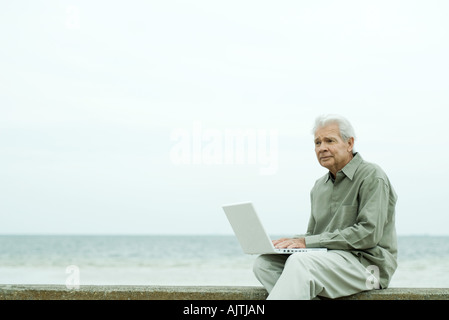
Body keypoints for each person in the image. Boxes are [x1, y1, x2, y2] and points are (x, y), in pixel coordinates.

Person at [253, 114, 398, 300]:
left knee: (301, 263)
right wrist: (289, 243)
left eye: (329, 140)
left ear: (349, 143)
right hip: (329, 262)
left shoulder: (372, 176)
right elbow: (315, 237)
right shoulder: (318, 187)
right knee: (265, 264)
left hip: (369, 268)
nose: (322, 148)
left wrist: (306, 243)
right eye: (317, 143)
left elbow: (368, 234)